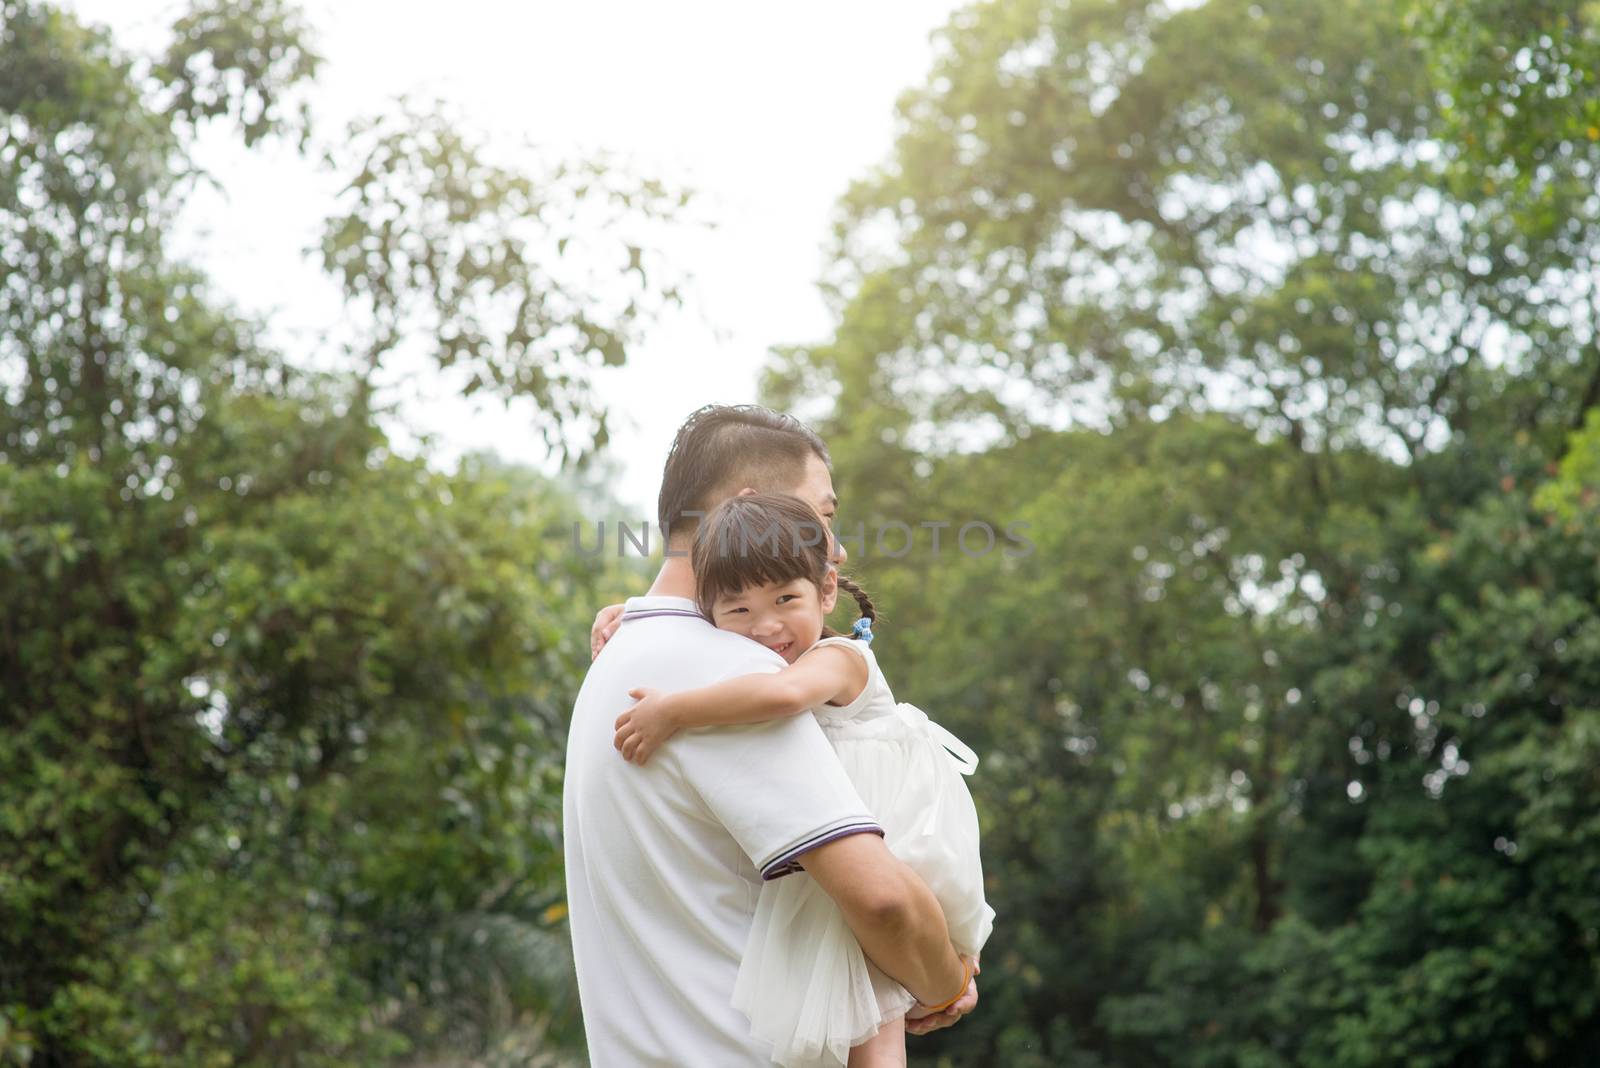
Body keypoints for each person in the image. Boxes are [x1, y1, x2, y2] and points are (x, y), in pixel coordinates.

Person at [563, 405, 977, 1067]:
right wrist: (948, 982)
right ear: (750, 510)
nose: (836, 550)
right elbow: (881, 899)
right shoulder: (729, 668)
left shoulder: (621, 658)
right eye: (825, 517)